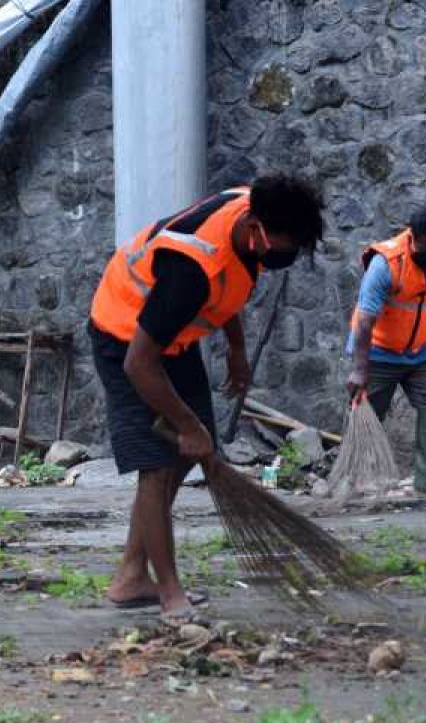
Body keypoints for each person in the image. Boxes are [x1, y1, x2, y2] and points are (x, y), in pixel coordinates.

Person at [89, 176, 325, 622]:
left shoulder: (248, 211)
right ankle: (168, 592)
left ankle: (131, 577)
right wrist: (189, 426)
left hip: (173, 338)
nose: (284, 256)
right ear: (256, 228)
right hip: (124, 338)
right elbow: (139, 364)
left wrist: (236, 349)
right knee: (157, 467)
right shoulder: (189, 271)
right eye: (281, 246)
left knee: (183, 458)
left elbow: (230, 279)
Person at [345, 208, 426, 494]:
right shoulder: (386, 263)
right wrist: (360, 369)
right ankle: (359, 478)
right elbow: (364, 320)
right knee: (370, 411)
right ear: (413, 237)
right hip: (379, 351)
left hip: (421, 350)